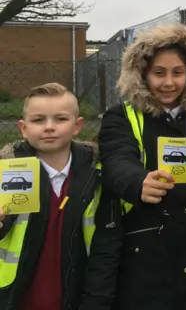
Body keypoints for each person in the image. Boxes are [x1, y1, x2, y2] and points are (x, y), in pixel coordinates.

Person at [97, 23, 186, 310]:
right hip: (145, 245)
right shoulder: (121, 116)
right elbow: (116, 159)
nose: (168, 83)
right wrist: (139, 182)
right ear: (142, 74)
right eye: (158, 73)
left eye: (177, 73)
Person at [0, 83, 120, 309]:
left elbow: (107, 247)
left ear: (77, 126)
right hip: (15, 299)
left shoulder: (98, 177)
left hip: (77, 298)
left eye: (60, 119)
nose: (49, 127)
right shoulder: (5, 172)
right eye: (38, 120)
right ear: (23, 128)